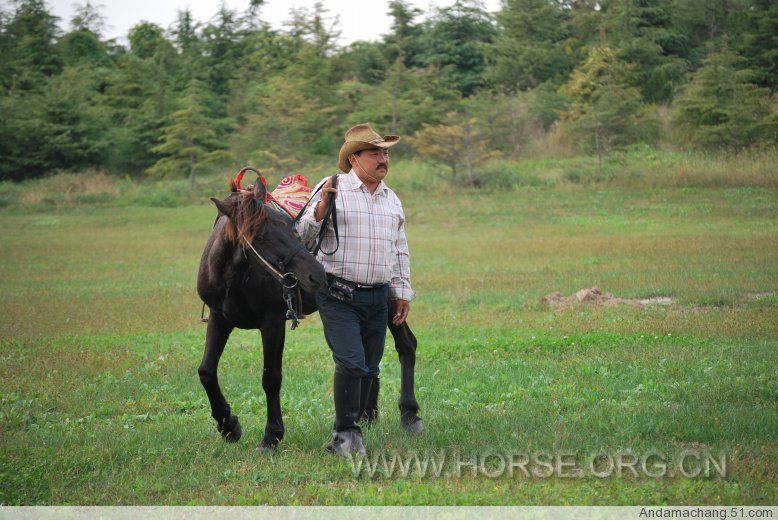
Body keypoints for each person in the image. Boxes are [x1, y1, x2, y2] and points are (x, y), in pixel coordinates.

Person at [296, 123, 415, 457]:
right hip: (337, 294)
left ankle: (350, 431)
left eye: (386, 153)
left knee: (370, 367)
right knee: (351, 363)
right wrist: (320, 211)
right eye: (375, 152)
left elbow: (399, 247)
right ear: (354, 158)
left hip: (378, 296)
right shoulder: (331, 187)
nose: (384, 159)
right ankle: (344, 435)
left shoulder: (392, 199)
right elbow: (301, 237)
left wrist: (402, 290)